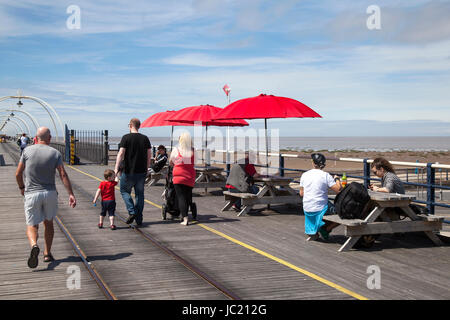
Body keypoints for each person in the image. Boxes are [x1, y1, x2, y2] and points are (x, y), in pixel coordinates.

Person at [15, 127, 76, 268]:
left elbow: (18, 174)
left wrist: (21, 188)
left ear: (36, 138)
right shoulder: (55, 153)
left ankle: (34, 245)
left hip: (31, 193)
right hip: (50, 193)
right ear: (49, 138)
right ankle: (47, 253)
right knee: (48, 223)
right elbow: (63, 175)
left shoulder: (27, 151)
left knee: (32, 224)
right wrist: (71, 194)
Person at [114, 118, 151, 226]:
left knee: (124, 191)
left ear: (130, 125)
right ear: (139, 126)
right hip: (141, 172)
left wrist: (116, 168)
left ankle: (132, 211)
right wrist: (147, 168)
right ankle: (139, 219)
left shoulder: (126, 137)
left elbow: (121, 153)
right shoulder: (145, 139)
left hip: (128, 171)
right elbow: (149, 155)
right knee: (140, 194)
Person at [300, 153, 342, 241]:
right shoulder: (325, 175)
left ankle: (316, 231)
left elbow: (301, 193)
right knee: (342, 213)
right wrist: (337, 179)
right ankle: (326, 229)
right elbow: (338, 190)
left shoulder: (304, 175)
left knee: (324, 207)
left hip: (307, 207)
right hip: (320, 208)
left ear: (313, 163)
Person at [169, 132, 196, 226]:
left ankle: (185, 218)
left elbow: (171, 162)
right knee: (187, 197)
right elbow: (193, 162)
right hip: (190, 176)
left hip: (178, 176)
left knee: (181, 197)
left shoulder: (176, 149)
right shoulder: (193, 150)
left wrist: (176, 162)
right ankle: (186, 214)